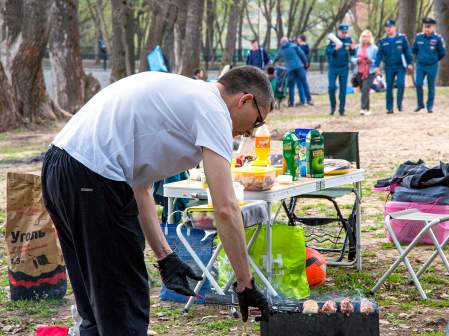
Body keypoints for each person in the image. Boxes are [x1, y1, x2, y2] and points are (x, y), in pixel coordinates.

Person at [41, 66, 273, 335]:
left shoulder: (184, 96)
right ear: (245, 100)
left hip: (60, 169)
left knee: (96, 304)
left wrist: (165, 257)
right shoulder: (214, 110)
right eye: (257, 121)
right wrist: (245, 283)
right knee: (122, 305)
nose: (249, 133)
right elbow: (226, 208)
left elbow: (140, 189)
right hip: (92, 179)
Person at [375, 19, 413, 114]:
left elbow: (407, 51)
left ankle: (399, 104)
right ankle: (389, 108)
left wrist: (410, 63)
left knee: (400, 84)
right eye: (386, 27)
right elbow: (379, 54)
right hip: (389, 66)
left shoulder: (402, 38)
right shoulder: (383, 41)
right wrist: (376, 66)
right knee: (389, 87)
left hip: (400, 66)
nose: (388, 29)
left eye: (390, 27)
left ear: (394, 27)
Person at [412, 17, 446, 113]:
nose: (426, 29)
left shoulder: (438, 38)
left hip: (432, 65)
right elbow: (414, 50)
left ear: (433, 27)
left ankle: (429, 106)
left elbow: (442, 52)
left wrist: (434, 59)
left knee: (431, 86)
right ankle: (420, 104)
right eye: (425, 27)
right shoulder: (418, 37)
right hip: (420, 66)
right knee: (418, 84)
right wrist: (418, 59)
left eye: (428, 27)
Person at [273, 36, 313, 107]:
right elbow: (302, 54)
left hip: (290, 69)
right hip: (299, 67)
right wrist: (306, 63)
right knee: (304, 83)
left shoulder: (281, 50)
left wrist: (272, 64)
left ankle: (291, 103)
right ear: (287, 41)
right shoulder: (293, 46)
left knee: (291, 86)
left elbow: (276, 58)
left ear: (281, 43)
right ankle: (309, 100)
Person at [326, 23, 355, 116]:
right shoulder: (332, 39)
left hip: (344, 67)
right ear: (338, 31)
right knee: (331, 87)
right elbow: (327, 51)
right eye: (342, 32)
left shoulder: (348, 39)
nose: (344, 34)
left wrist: (353, 49)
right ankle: (332, 107)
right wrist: (335, 48)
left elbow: (352, 53)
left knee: (343, 89)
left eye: (345, 32)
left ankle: (341, 110)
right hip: (333, 67)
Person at [351, 30, 378, 116]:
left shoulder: (374, 48)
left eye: (367, 36)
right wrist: (356, 60)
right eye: (363, 36)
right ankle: (368, 109)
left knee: (366, 89)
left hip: (370, 72)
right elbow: (352, 58)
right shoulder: (357, 47)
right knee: (364, 91)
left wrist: (371, 61)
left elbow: (378, 60)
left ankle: (362, 108)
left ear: (370, 38)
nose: (365, 38)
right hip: (359, 71)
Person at [296, 35, 311, 106]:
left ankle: (303, 100)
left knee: (301, 83)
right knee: (302, 84)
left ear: (301, 39)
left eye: (298, 38)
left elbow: (305, 57)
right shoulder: (306, 47)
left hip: (301, 67)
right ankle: (304, 100)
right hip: (302, 67)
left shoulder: (302, 47)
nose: (297, 40)